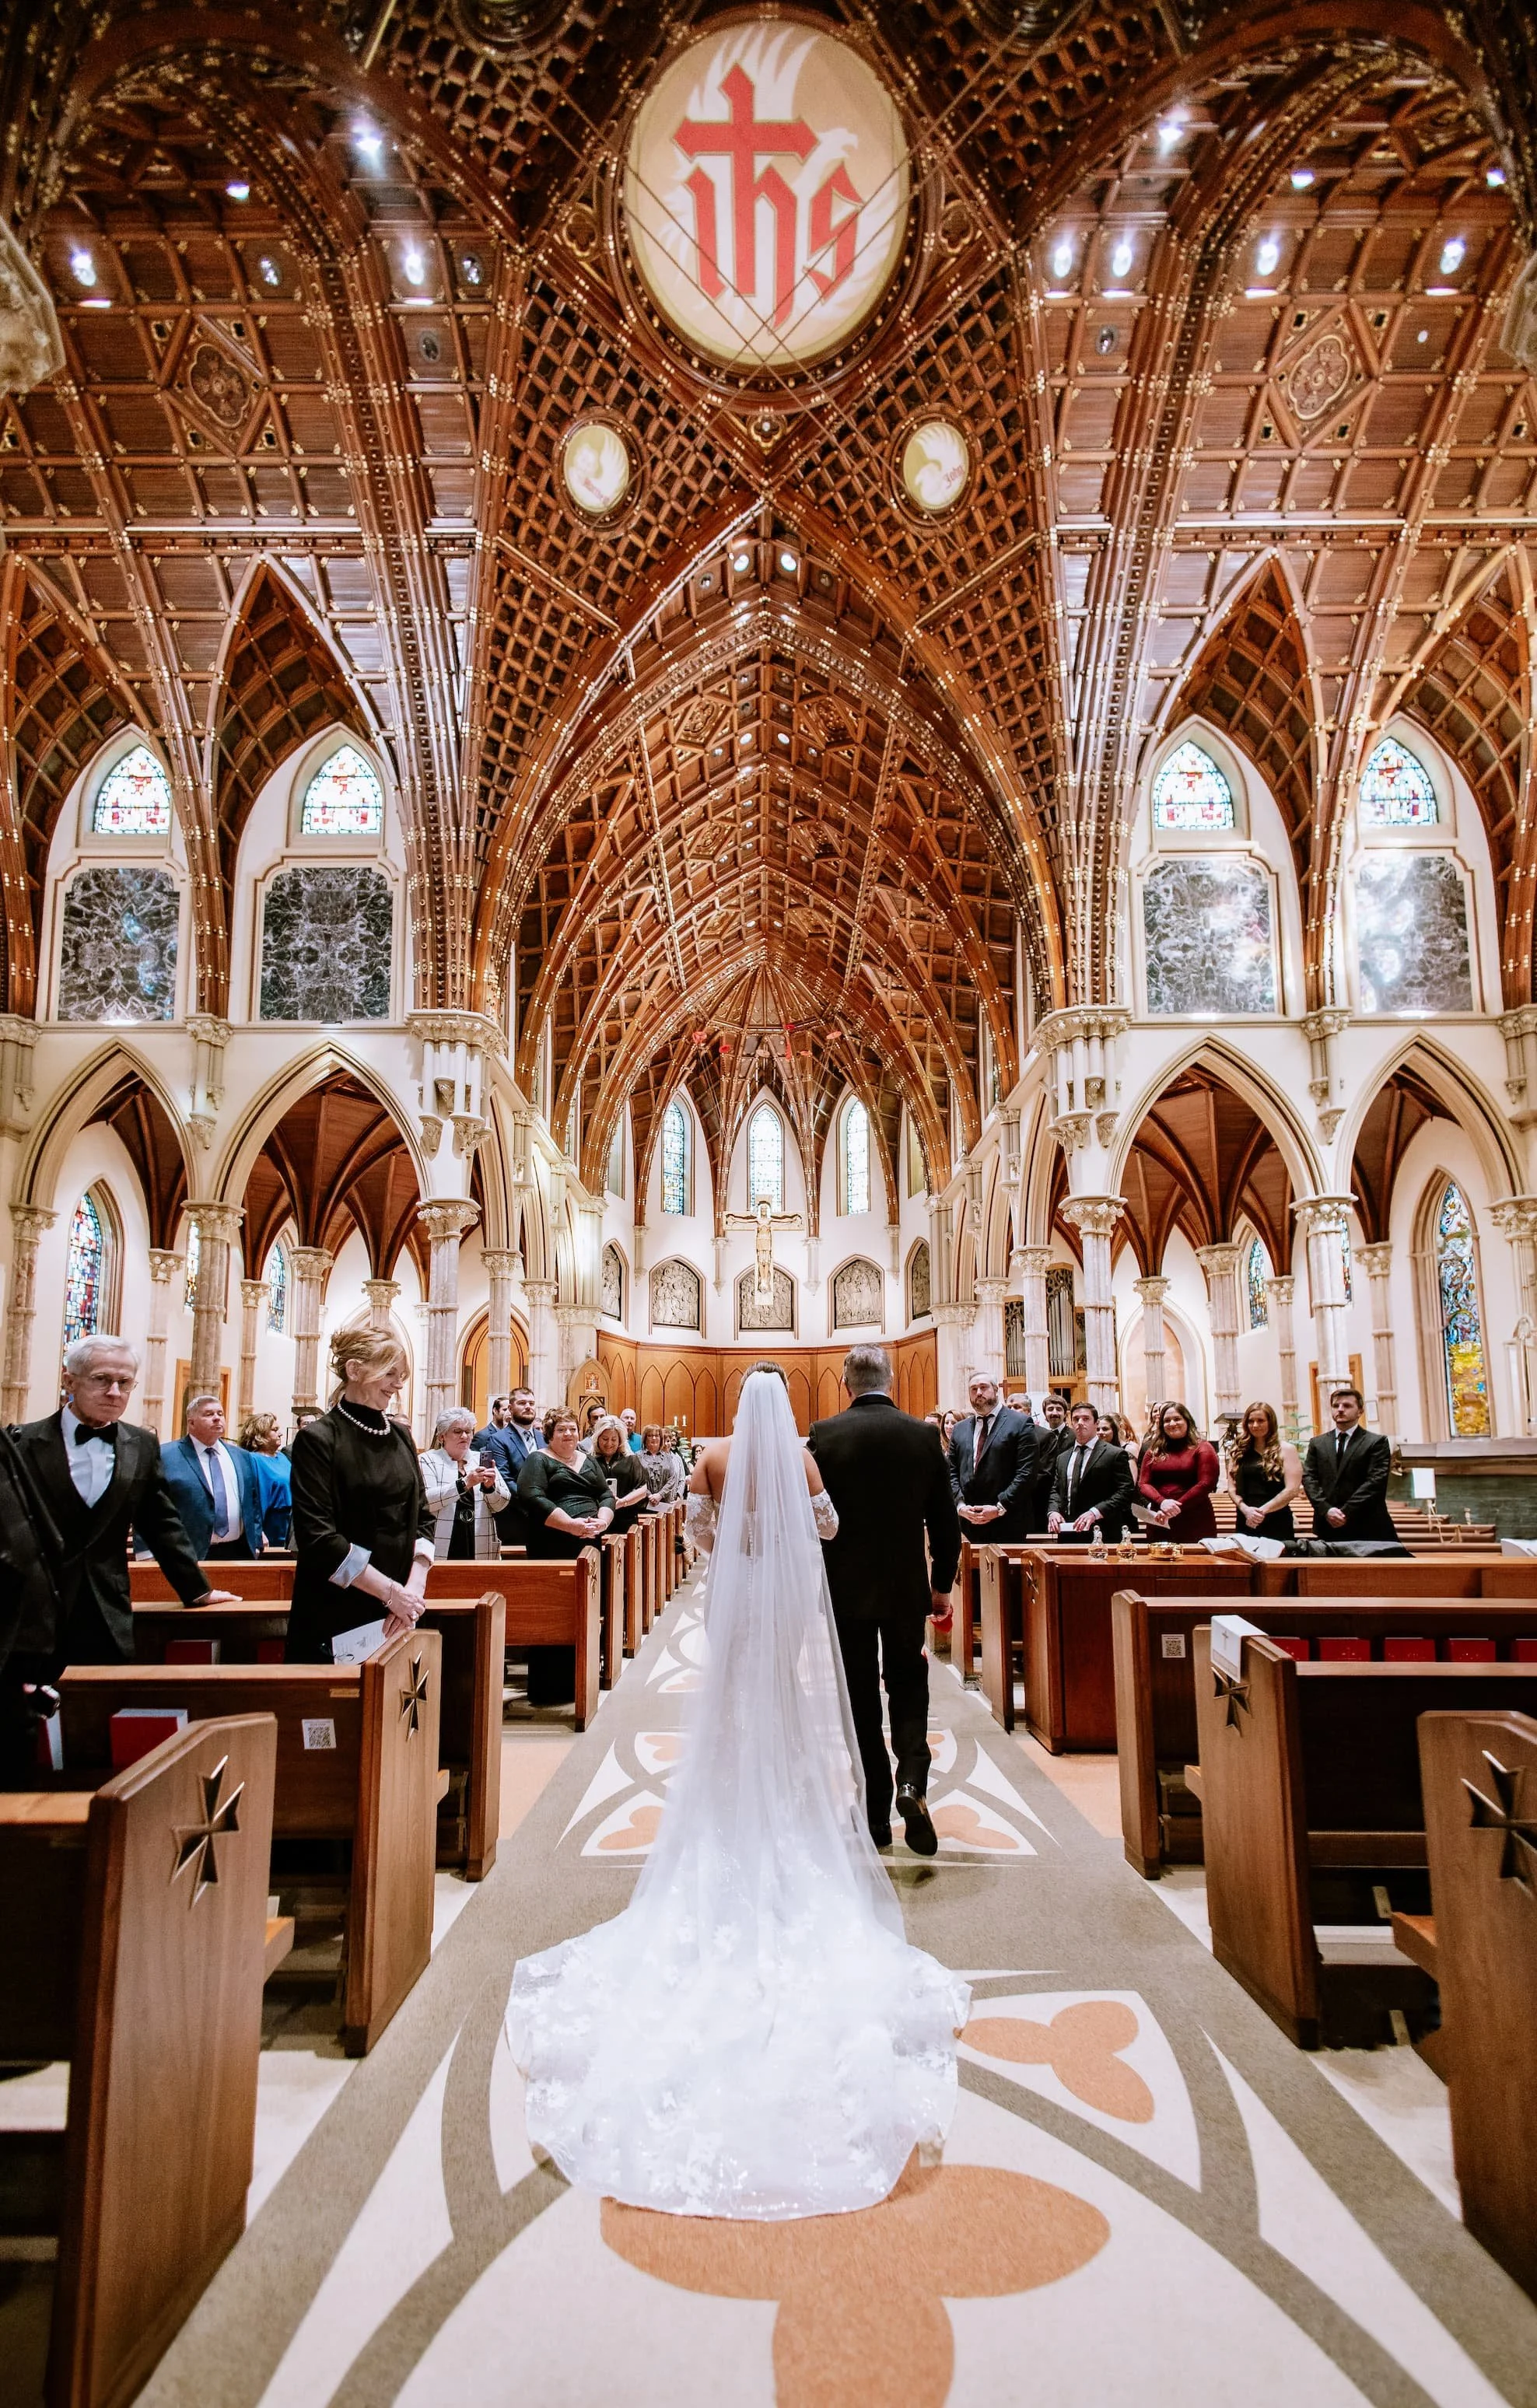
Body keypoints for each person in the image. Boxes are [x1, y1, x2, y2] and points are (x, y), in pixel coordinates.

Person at [509, 1363, 969, 2222]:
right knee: (809, 1712)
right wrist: (800, 1550)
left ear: (735, 1408)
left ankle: (771, 1814)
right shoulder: (806, 1458)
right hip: (809, 1599)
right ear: (786, 1407)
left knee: (731, 1719)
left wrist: (737, 1554)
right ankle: (865, 1799)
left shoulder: (716, 1456)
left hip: (735, 1602)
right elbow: (825, 1525)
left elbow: (696, 1539)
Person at [5, 1338, 239, 1776]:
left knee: (103, 1734)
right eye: (102, 1380)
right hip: (33, 1614)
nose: (115, 1392)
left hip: (105, 1610)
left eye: (125, 1382)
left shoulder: (140, 1445)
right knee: (25, 1737)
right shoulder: (21, 1444)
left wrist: (198, 1590)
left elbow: (162, 1523)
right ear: (69, 1380)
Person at [808, 1345, 962, 1857]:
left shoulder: (825, 1435)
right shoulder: (921, 1435)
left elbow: (814, 1519)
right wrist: (941, 1584)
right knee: (909, 1687)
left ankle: (875, 1814)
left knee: (859, 1698)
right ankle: (911, 1783)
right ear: (891, 1379)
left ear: (845, 1382)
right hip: (904, 1588)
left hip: (846, 1589)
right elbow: (946, 1520)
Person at [285, 1328, 436, 1663]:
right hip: (339, 1605)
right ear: (354, 1370)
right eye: (390, 1373)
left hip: (402, 1606)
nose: (398, 1384)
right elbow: (319, 1538)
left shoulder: (400, 1435)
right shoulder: (319, 1439)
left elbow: (423, 1517)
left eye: (402, 1376)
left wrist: (414, 1589)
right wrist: (390, 1593)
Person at [516, 1408, 614, 1703]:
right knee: (554, 1613)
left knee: (585, 1610)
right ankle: (551, 1687)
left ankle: (584, 1677)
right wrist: (570, 1525)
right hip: (552, 1545)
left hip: (589, 1545)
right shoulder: (539, 1459)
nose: (569, 1434)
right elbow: (532, 1496)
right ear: (549, 1433)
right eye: (561, 1430)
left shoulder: (588, 1460)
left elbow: (606, 1494)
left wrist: (603, 1520)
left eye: (572, 1428)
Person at [157, 1392, 266, 1561]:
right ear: (191, 1422)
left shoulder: (241, 1456)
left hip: (238, 1551)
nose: (217, 1418)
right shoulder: (167, 1455)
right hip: (188, 1553)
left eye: (220, 1414)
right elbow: (150, 1505)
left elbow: (253, 1502)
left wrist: (256, 1540)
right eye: (209, 1414)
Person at [947, 1373, 1037, 1542]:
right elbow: (951, 1471)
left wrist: (999, 1507)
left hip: (1007, 1522)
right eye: (974, 1389)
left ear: (996, 1391)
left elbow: (1026, 1474)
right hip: (967, 1523)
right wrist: (960, 1505)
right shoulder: (960, 1428)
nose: (979, 1393)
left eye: (983, 1387)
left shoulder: (1020, 1423)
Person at [1302, 1384, 1397, 1542]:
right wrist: (1327, 1510)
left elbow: (1375, 1482)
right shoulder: (1317, 1443)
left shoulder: (1376, 1442)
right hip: (1327, 1524)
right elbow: (1309, 1478)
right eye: (1335, 1405)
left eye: (1347, 1406)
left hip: (1366, 1524)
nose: (1340, 1409)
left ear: (1360, 1411)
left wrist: (1345, 1512)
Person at [420, 1406, 511, 1560]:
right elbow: (427, 1501)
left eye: (468, 1431)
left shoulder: (481, 1459)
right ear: (442, 1437)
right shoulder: (428, 1460)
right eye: (457, 1431)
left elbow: (502, 1503)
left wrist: (490, 1488)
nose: (464, 1436)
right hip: (442, 1540)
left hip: (479, 1540)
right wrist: (465, 1483)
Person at [1047, 1399, 1137, 1539]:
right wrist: (1053, 1511)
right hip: (1068, 1530)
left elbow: (1126, 1491)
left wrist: (1095, 1512)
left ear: (1096, 1424)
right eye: (1076, 1419)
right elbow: (1056, 1490)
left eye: (1086, 1419)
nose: (1080, 1423)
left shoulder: (1114, 1454)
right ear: (1071, 1423)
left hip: (1102, 1529)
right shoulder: (1063, 1457)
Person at [1136, 1402, 1220, 1542]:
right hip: (1160, 1517)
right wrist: (1162, 1502)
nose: (1172, 1423)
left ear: (1187, 1421)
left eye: (1177, 1419)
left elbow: (1206, 1484)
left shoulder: (1202, 1447)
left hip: (1194, 1517)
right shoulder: (1154, 1450)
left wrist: (1175, 1507)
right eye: (1167, 1420)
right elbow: (1143, 1483)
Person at [474, 1384, 541, 1546]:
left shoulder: (543, 1438)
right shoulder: (498, 1439)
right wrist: (538, 1503)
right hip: (516, 1518)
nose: (528, 1407)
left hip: (544, 1519)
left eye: (531, 1404)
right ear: (510, 1408)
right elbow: (505, 1480)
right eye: (522, 1403)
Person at [1226, 1402, 1303, 1544]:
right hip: (1246, 1517)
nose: (1255, 1425)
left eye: (1260, 1420)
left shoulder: (1286, 1449)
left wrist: (1262, 1512)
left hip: (1276, 1517)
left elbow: (1292, 1489)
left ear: (1271, 1422)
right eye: (1251, 1421)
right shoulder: (1238, 1451)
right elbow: (1231, 1488)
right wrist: (1246, 1510)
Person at [589, 1415, 653, 1535]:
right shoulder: (589, 1461)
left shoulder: (631, 1460)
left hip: (626, 1519)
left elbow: (642, 1489)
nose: (609, 1444)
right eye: (605, 1439)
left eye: (614, 1439)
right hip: (597, 1519)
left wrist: (622, 1502)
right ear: (597, 1438)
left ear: (620, 1440)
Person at [240, 1410, 292, 1548]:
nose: (280, 1433)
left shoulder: (283, 1458)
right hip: (271, 1527)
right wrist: (258, 1532)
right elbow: (253, 1499)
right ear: (260, 1434)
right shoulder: (253, 1460)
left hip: (289, 1525)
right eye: (275, 1430)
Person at [634, 1420, 685, 1503]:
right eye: (650, 1436)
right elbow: (636, 1479)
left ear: (661, 1438)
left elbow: (672, 1479)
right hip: (644, 1503)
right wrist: (649, 1495)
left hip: (664, 1502)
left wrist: (660, 1495)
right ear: (645, 1439)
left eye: (657, 1435)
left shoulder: (668, 1457)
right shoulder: (637, 1456)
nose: (654, 1438)